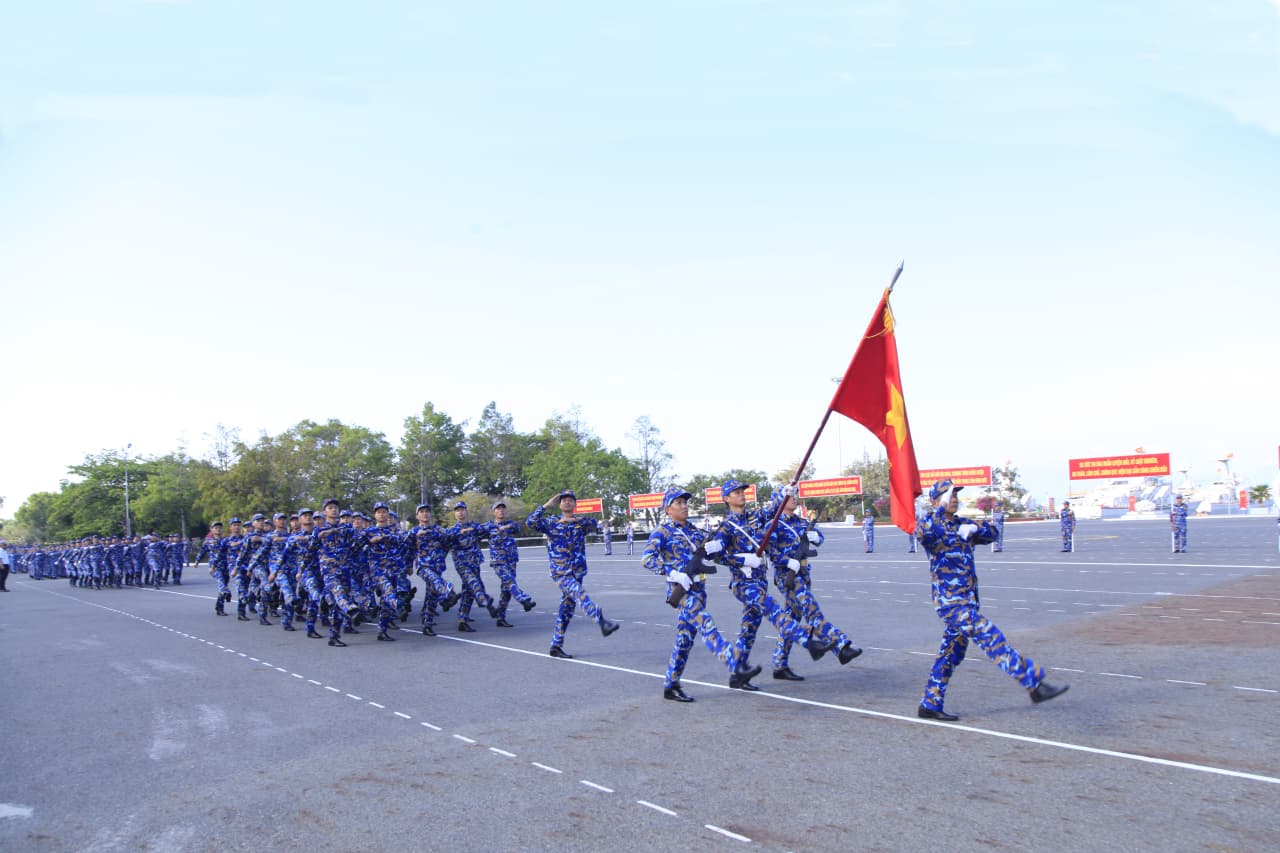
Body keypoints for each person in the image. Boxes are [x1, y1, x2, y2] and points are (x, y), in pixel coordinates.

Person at [916, 479, 1068, 721]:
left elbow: (993, 533)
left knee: (950, 655)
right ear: (935, 501)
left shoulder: (961, 524)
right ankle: (1033, 683)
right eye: (948, 495)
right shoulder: (933, 527)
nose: (953, 499)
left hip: (968, 601)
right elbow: (922, 531)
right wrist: (937, 511)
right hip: (951, 604)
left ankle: (930, 703)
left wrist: (976, 530)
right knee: (990, 634)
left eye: (955, 495)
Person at [709, 480, 833, 690]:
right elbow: (717, 555)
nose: (741, 495)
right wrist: (743, 560)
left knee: (749, 629)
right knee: (772, 609)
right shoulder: (726, 527)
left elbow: (773, 512)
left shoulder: (755, 518)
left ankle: (737, 674)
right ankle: (808, 642)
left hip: (760, 581)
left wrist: (784, 494)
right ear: (726, 499)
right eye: (736, 492)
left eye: (742, 491)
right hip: (743, 583)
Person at [642, 486, 756, 701]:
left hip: (699, 589)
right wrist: (672, 573)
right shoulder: (662, 532)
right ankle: (736, 665)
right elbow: (647, 559)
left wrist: (730, 554)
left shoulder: (696, 532)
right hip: (682, 591)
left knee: (685, 639)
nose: (684, 506)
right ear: (668, 508)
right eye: (679, 503)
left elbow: (717, 557)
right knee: (706, 623)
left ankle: (671, 684)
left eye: (685, 503)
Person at [763, 490, 862, 680]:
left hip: (804, 574)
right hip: (788, 576)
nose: (794, 498)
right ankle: (841, 646)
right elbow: (769, 551)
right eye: (790, 496)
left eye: (794, 496)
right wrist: (785, 561)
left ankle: (779, 664)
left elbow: (819, 538)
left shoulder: (801, 522)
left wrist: (817, 537)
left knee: (791, 621)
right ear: (779, 501)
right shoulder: (774, 525)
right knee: (813, 612)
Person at [526, 490, 619, 658]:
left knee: (567, 608)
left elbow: (595, 525)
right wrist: (546, 505)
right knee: (580, 593)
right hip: (561, 571)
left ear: (575, 504)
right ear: (559, 504)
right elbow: (530, 522)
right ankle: (601, 621)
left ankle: (556, 644)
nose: (567, 502)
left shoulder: (580, 523)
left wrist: (576, 520)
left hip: (577, 571)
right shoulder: (551, 522)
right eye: (564, 500)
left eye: (570, 500)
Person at [445, 501, 499, 632]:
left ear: (466, 511)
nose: (460, 512)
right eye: (457, 510)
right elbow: (445, 544)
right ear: (454, 513)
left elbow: (491, 529)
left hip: (474, 562)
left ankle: (463, 620)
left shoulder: (475, 527)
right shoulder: (452, 531)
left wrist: (473, 529)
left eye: (462, 509)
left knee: (468, 592)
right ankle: (486, 602)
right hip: (462, 564)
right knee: (475, 584)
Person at [480, 501, 535, 627]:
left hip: (511, 560)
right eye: (498, 509)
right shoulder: (488, 526)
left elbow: (518, 527)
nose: (501, 511)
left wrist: (505, 527)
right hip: (498, 561)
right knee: (510, 582)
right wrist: (498, 528)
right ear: (493, 512)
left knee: (506, 590)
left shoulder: (510, 524)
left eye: (503, 509)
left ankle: (501, 617)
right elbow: (480, 531)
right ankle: (524, 600)